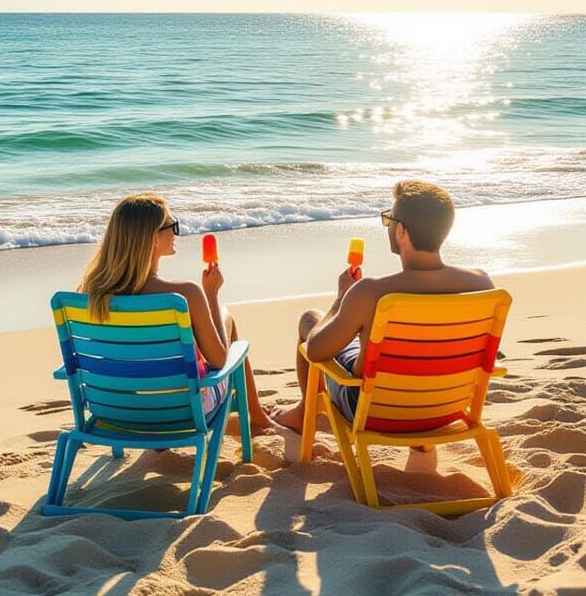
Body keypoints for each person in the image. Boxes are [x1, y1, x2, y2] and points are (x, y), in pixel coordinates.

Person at [274, 180, 494, 432]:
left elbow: (314, 351)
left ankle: (304, 413)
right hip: (447, 409)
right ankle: (422, 443)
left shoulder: (370, 292)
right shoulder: (480, 283)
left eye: (389, 219)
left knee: (310, 319)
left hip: (375, 412)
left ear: (401, 231)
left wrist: (341, 298)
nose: (388, 225)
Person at [81, 193, 274, 434]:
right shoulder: (185, 295)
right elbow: (219, 360)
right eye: (171, 226)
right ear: (153, 238)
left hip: (115, 411)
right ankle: (258, 417)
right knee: (227, 318)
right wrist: (211, 296)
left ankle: (257, 415)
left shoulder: (91, 297)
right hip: (183, 412)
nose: (175, 232)